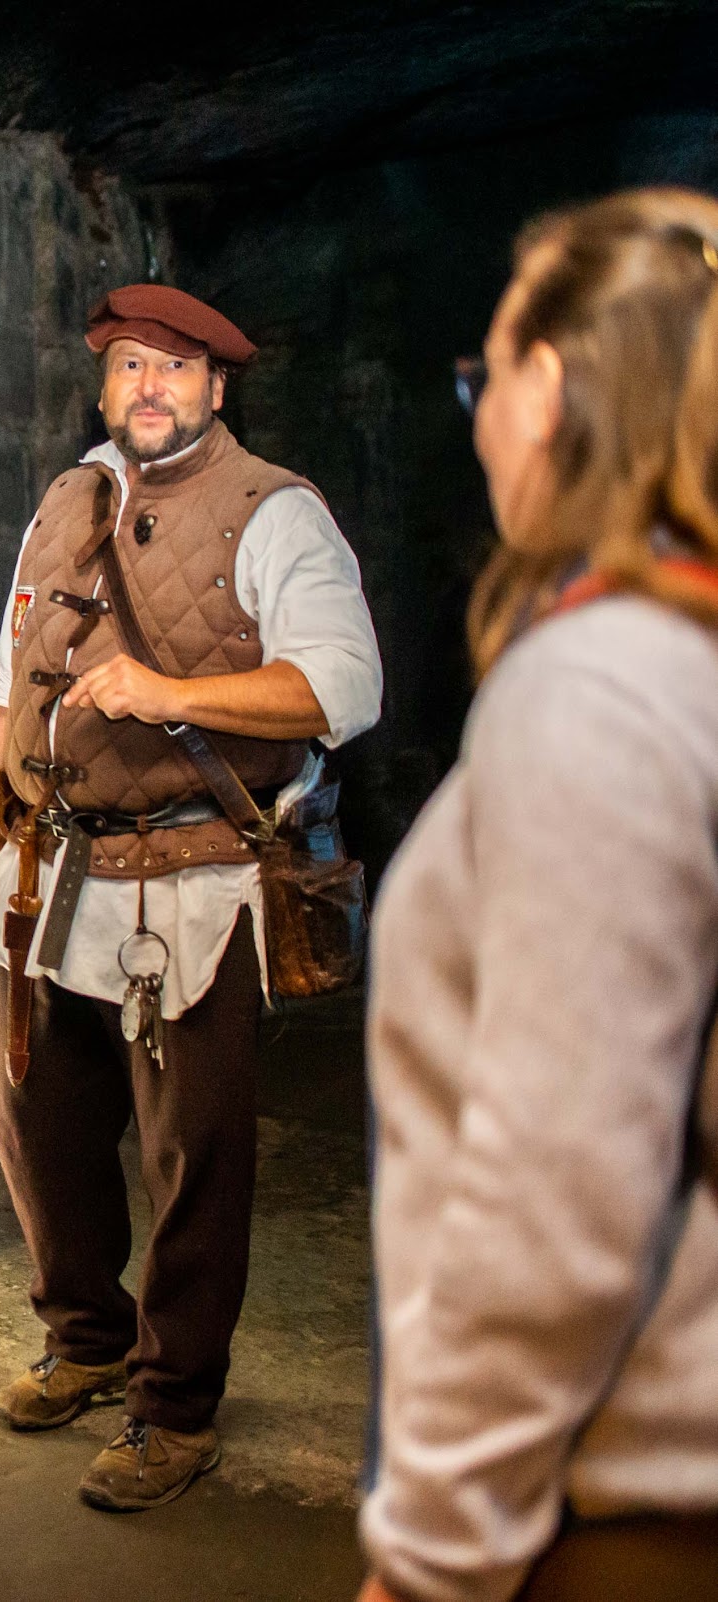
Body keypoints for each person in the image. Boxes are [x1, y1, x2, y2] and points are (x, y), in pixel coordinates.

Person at [0, 283, 383, 1510]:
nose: (150, 390)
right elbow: (4, 675)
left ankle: (175, 1407)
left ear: (218, 390)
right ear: (105, 386)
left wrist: (177, 692)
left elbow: (345, 687)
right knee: (40, 1130)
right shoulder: (64, 500)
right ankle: (86, 1341)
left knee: (194, 1154)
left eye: (176, 370)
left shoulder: (273, 513)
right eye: (129, 368)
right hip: (44, 865)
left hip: (194, 881)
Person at [358, 188, 718, 1602]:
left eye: (481, 374)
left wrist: (433, 1549)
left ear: (552, 385)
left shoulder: (596, 684)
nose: (479, 412)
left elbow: (553, 1196)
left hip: (611, 1503)